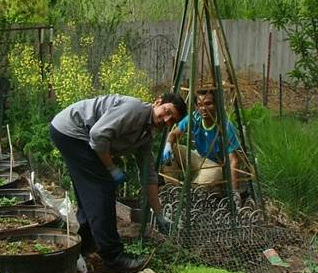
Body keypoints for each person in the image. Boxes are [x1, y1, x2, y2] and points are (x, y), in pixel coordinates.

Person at [50, 93, 187, 273]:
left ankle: (85, 246)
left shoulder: (146, 135)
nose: (166, 119)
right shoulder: (136, 110)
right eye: (166, 111)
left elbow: (148, 174)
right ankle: (114, 258)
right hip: (72, 131)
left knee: (90, 194)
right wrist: (112, 168)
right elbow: (98, 136)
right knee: (102, 190)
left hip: (72, 134)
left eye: (172, 120)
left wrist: (159, 214)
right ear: (158, 102)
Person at [161, 89, 241, 202]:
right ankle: (173, 193)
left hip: (216, 166)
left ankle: (188, 197)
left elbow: (234, 160)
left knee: (197, 189)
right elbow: (174, 133)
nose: (203, 108)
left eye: (208, 104)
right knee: (172, 150)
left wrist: (235, 193)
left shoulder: (225, 126)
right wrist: (168, 144)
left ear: (216, 105)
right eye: (200, 105)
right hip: (199, 158)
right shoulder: (194, 118)